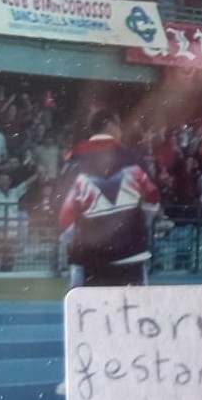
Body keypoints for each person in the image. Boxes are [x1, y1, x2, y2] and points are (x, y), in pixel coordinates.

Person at [55, 109, 164, 287]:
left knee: (91, 305)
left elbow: (63, 212)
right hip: (131, 254)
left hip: (90, 258)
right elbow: (152, 199)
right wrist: (139, 224)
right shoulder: (133, 158)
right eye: (118, 125)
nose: (120, 130)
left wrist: (74, 240)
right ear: (110, 125)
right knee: (133, 304)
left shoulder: (74, 162)